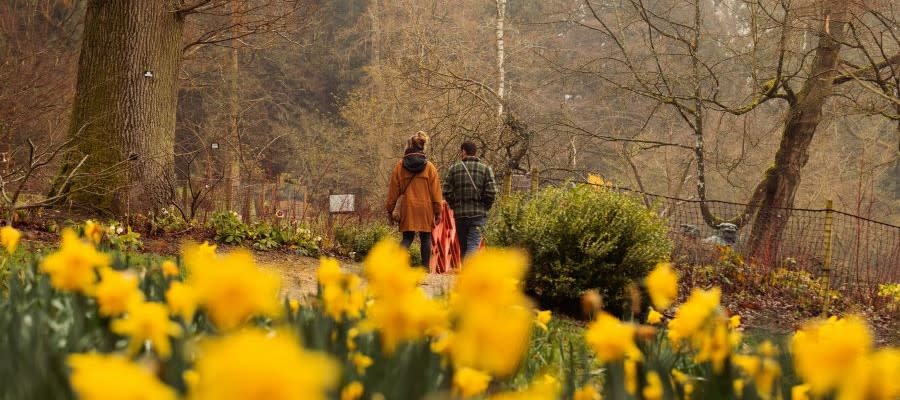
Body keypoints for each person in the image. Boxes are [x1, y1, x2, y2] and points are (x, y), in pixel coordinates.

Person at [386, 131, 443, 267]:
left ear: (408, 146)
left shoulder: (400, 166)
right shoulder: (430, 167)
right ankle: (425, 268)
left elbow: (393, 191)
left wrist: (390, 209)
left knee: (407, 238)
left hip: (407, 206)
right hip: (425, 207)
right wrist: (438, 211)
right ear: (422, 146)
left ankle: (397, 266)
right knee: (426, 237)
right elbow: (436, 192)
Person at [442, 141, 497, 258]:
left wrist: (454, 205)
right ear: (475, 152)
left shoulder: (453, 169)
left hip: (460, 214)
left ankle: (465, 273)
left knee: (464, 246)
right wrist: (485, 206)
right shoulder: (485, 169)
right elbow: (492, 192)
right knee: (473, 244)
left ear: (463, 151)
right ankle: (468, 272)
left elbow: (446, 191)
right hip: (478, 214)